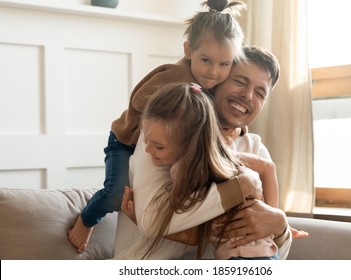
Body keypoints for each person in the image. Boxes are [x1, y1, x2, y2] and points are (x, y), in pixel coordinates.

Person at [67, 0, 247, 253]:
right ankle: (86, 220)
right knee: (116, 193)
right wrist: (172, 103)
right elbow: (139, 100)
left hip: (162, 145)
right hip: (125, 141)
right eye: (206, 60)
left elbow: (212, 117)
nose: (214, 71)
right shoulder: (174, 75)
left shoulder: (212, 84)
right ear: (188, 50)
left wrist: (236, 131)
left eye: (224, 64)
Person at [115, 45, 298, 260]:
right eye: (240, 82)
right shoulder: (166, 133)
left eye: (260, 93)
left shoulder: (256, 150)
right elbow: (151, 220)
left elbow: (272, 255)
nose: (248, 95)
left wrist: (279, 226)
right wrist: (235, 190)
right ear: (218, 81)